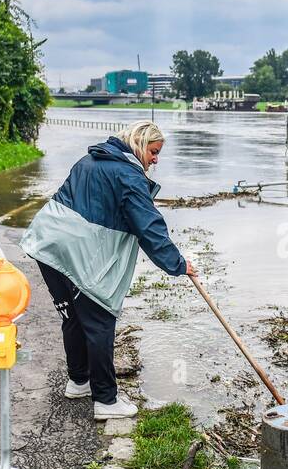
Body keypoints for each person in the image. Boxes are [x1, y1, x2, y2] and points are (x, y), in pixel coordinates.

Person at [21, 121, 196, 420]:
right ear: (140, 144)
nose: (156, 160)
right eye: (153, 152)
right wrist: (178, 264)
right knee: (100, 319)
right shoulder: (129, 175)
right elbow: (148, 227)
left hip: (48, 244)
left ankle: (79, 381)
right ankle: (106, 400)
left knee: (74, 317)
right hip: (79, 253)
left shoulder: (90, 159)